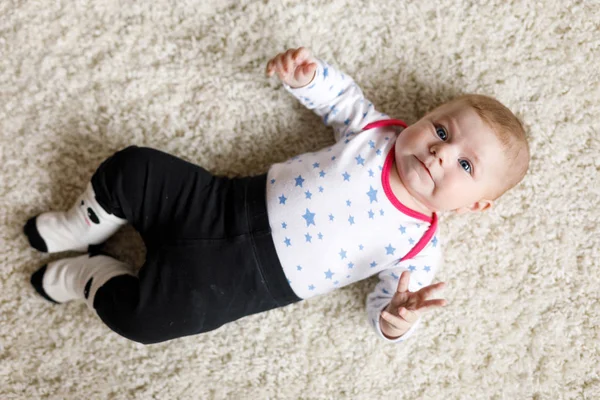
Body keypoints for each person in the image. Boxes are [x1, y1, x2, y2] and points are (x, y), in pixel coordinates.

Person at [24, 47, 530, 345]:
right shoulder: (377, 134)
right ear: (423, 117)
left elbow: (385, 306)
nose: (441, 153)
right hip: (219, 202)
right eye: (441, 129)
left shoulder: (420, 248)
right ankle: (79, 225)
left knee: (145, 320)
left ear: (475, 205)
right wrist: (309, 77)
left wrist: (397, 318)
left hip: (238, 285)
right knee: (134, 168)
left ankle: (87, 275)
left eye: (465, 165)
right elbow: (343, 102)